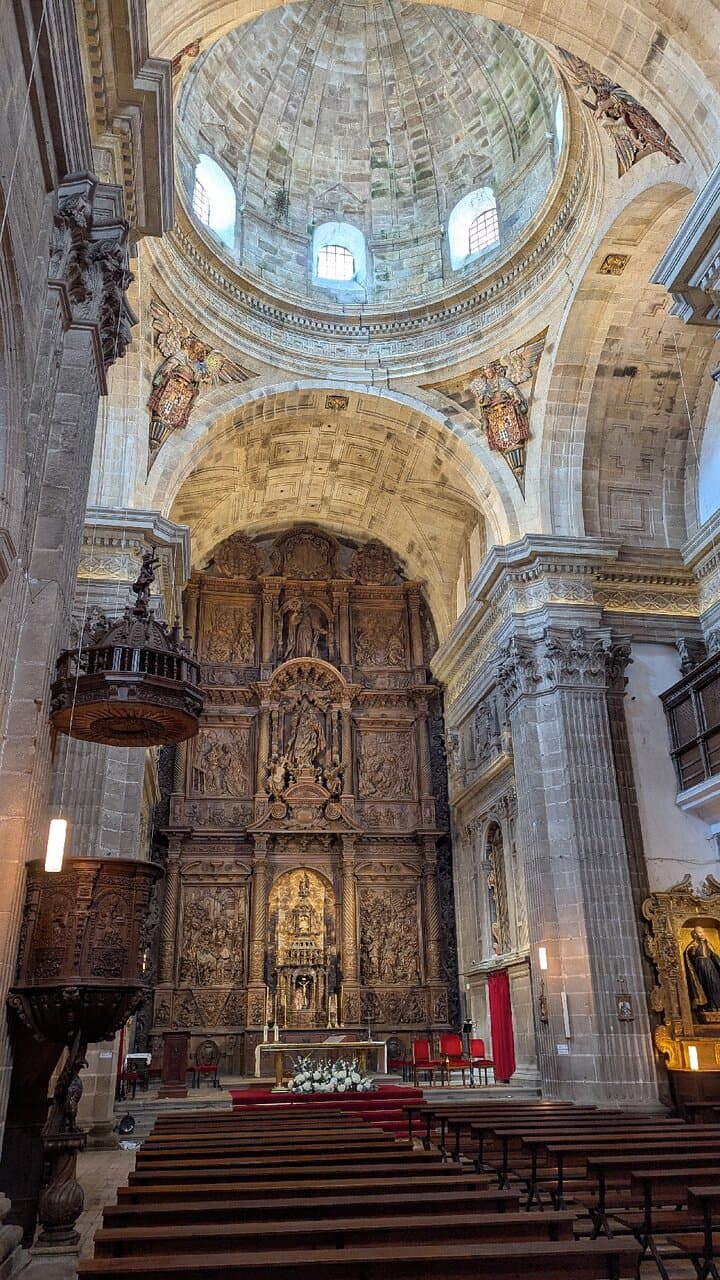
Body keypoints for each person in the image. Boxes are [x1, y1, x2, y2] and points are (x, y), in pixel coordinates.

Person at [685, 926, 720, 1013]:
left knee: (716, 984)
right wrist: (693, 950)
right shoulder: (693, 945)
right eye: (700, 932)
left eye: (703, 932)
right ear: (695, 935)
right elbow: (689, 955)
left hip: (711, 967)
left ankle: (717, 1005)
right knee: (707, 986)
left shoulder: (707, 944)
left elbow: (714, 956)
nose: (702, 934)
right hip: (701, 967)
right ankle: (712, 1007)